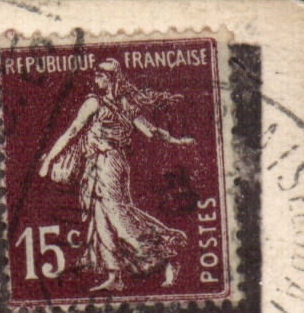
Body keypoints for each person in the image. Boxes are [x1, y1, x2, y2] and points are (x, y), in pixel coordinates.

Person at [38, 58, 195, 291]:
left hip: (109, 164)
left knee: (118, 215)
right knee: (101, 217)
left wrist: (49, 160)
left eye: (100, 76)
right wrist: (176, 140)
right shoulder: (120, 103)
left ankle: (168, 252)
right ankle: (115, 276)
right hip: (99, 164)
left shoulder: (100, 103)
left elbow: (72, 132)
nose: (96, 80)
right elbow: (151, 131)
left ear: (110, 79)